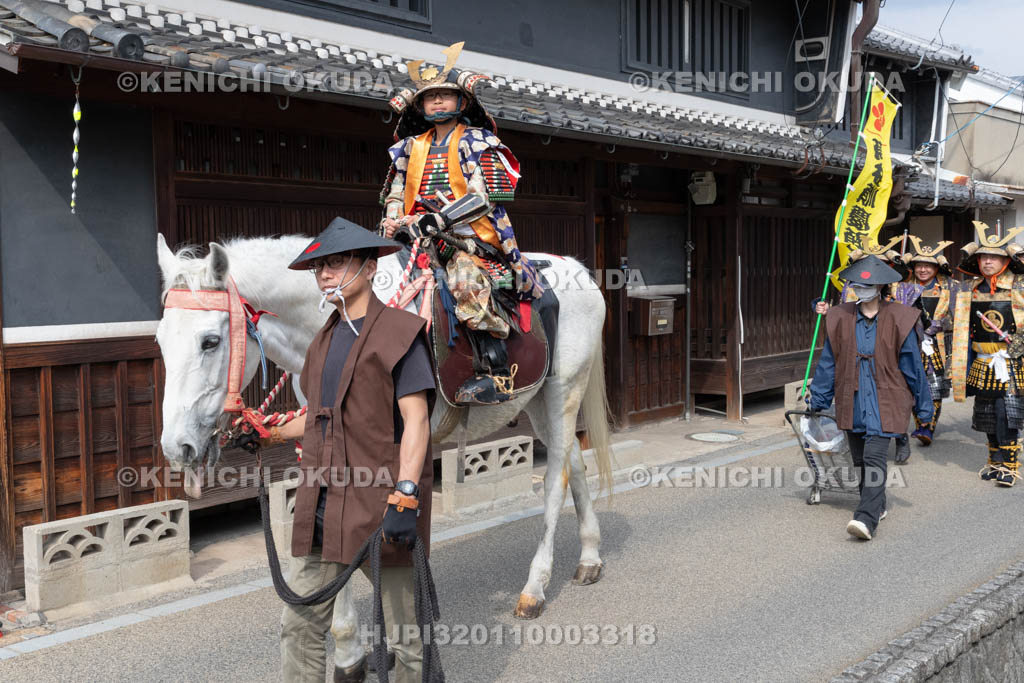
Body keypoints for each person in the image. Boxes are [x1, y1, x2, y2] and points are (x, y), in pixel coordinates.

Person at [248, 217, 436, 682]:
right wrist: (266, 434)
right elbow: (317, 418)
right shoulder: (322, 341)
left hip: (382, 505)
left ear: (369, 268)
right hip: (323, 506)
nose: (325, 275)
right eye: (319, 267)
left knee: (407, 636)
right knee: (300, 624)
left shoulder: (401, 334)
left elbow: (416, 422)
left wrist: (406, 495)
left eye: (336, 263)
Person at [379, 41, 543, 405]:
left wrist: (439, 218)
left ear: (462, 102)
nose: (437, 102)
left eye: (445, 96)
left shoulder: (477, 142)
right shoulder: (409, 147)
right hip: (414, 238)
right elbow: (395, 190)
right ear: (420, 105)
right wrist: (392, 219)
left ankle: (496, 373)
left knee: (466, 283)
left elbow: (482, 196)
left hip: (468, 239)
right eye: (430, 97)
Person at [809, 255, 933, 540]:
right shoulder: (840, 316)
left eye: (867, 285)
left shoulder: (901, 318)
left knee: (875, 456)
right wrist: (819, 398)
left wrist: (924, 410)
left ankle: (865, 518)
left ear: (880, 288)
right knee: (860, 460)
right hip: (851, 395)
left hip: (887, 396)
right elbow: (829, 362)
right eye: (856, 285)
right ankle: (877, 504)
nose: (860, 290)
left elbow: (914, 368)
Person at [814, 237, 918, 463]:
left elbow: (913, 325)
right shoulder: (852, 292)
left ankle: (900, 436)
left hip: (891, 359)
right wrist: (822, 307)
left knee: (894, 402)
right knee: (861, 449)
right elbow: (840, 313)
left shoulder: (900, 294)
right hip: (855, 367)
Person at [950, 221, 1024, 486]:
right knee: (986, 413)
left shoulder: (1020, 285)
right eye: (983, 256)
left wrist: (1019, 343)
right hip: (982, 360)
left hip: (1011, 361)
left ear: (1005, 260)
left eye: (994, 257)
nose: (988, 261)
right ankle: (994, 461)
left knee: (1008, 412)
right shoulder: (969, 289)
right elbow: (961, 326)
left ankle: (1010, 465)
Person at [905, 236, 958, 445]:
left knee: (934, 386)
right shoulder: (903, 287)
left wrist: (940, 324)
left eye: (928, 266)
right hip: (910, 342)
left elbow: (960, 316)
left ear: (937, 268)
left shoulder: (950, 287)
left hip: (938, 343)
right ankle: (920, 423)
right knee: (912, 385)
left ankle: (928, 427)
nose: (923, 270)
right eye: (919, 265)